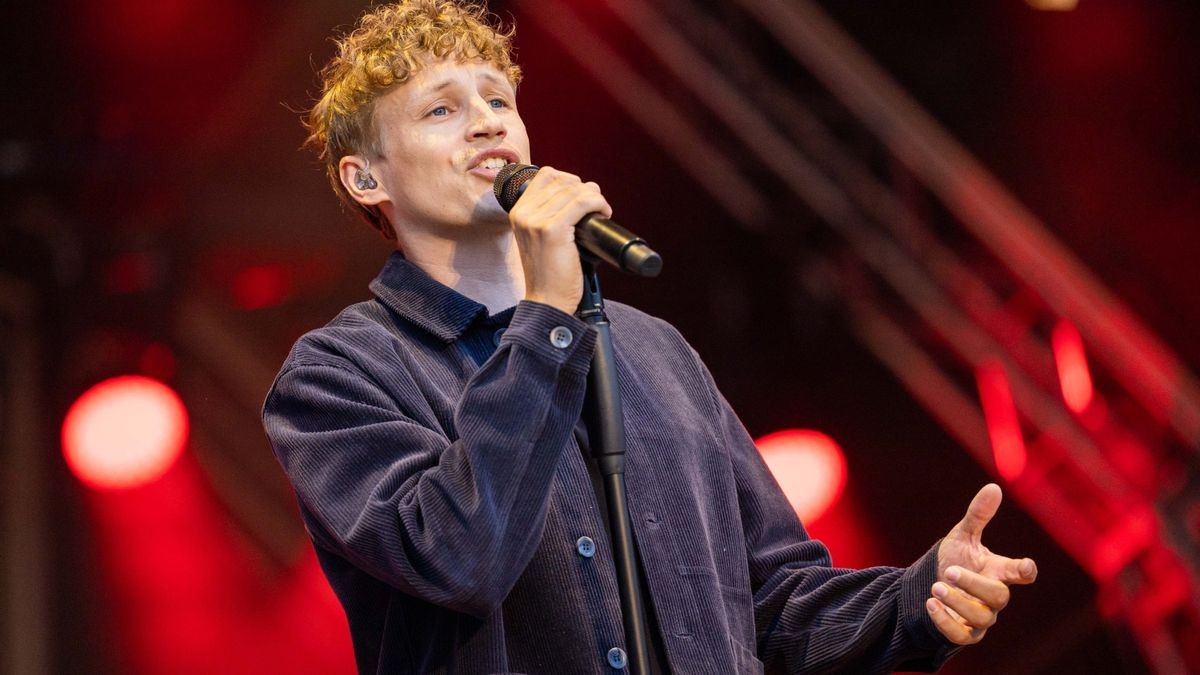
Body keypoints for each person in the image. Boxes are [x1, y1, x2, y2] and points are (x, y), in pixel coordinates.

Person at [262, 2, 1038, 673]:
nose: (488, 120)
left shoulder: (655, 350)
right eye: (441, 109)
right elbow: (459, 554)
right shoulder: (337, 375)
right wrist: (549, 320)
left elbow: (774, 600)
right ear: (369, 179)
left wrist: (918, 596)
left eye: (498, 98)